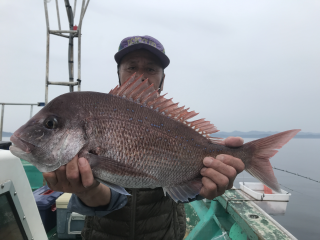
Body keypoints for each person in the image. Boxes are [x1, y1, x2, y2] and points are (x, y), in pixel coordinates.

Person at [43, 35, 245, 240]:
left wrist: (207, 184)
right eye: (131, 67)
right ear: (119, 74)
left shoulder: (176, 125)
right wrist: (88, 190)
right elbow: (106, 195)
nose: (140, 76)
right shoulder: (95, 116)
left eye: (150, 69)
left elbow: (185, 189)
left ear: (162, 78)